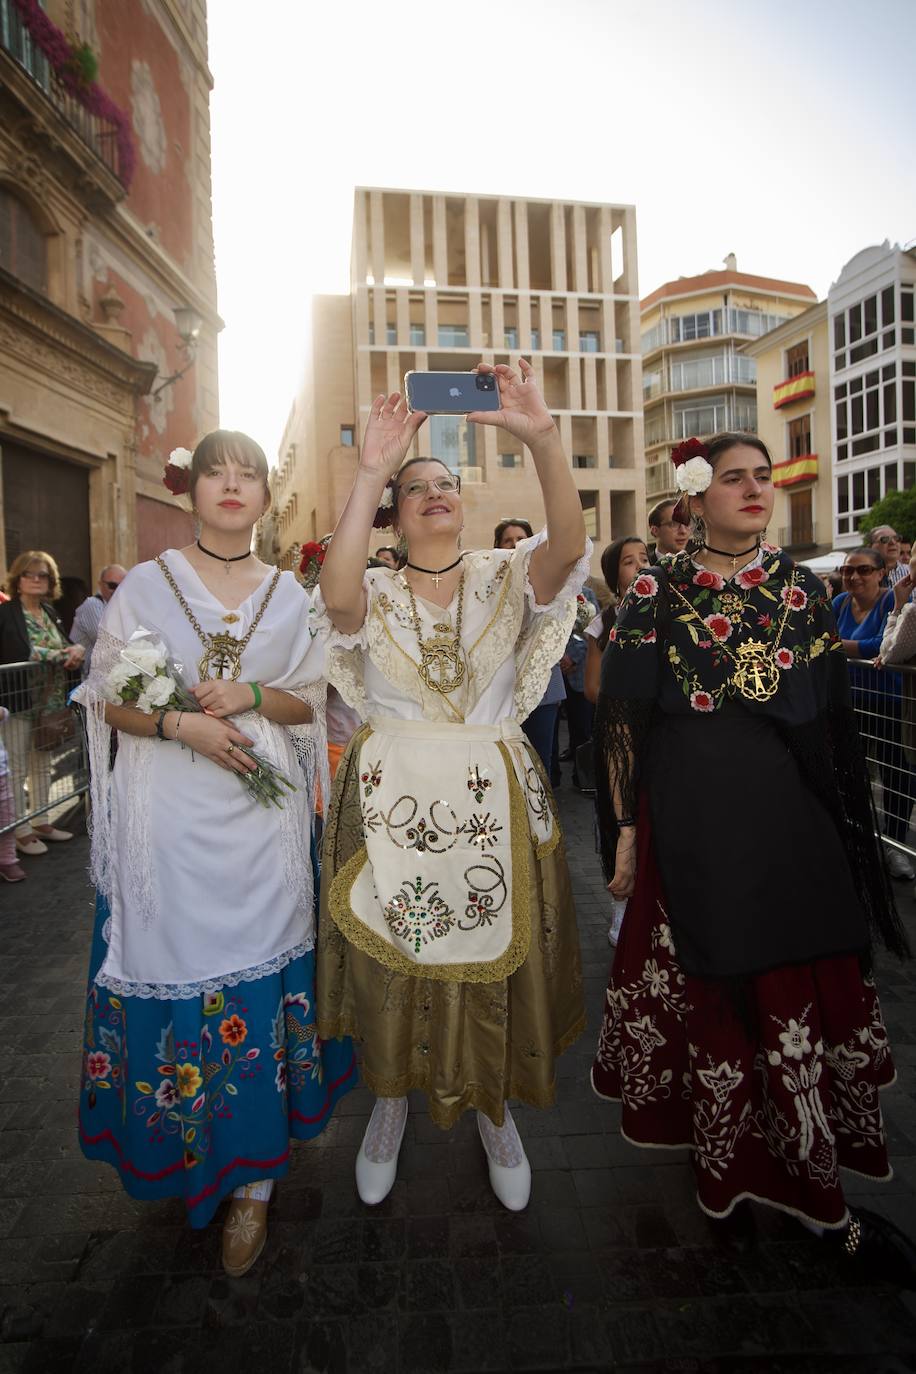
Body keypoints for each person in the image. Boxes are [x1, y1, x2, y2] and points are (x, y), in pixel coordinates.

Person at [591, 431, 916, 1284]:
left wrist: (843, 825)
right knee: (712, 984)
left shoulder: (801, 592)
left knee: (796, 981)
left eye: (763, 478)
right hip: (691, 814)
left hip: (784, 815)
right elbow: (623, 716)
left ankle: (812, 1181)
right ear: (698, 496)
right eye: (734, 478)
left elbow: (824, 724)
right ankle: (726, 1169)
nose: (754, 490)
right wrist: (625, 828)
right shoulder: (657, 588)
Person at [73, 430, 355, 1276]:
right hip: (166, 823)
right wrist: (179, 721)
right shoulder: (147, 587)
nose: (232, 486)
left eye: (249, 474)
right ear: (190, 490)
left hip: (260, 835)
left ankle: (256, 1184)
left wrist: (257, 695)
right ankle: (190, 1154)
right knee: (172, 958)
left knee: (262, 970)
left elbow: (318, 704)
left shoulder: (293, 594)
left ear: (267, 496)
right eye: (215, 473)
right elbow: (106, 697)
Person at [316, 360, 588, 1213]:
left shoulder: (508, 578)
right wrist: (370, 471)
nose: (436, 492)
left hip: (492, 807)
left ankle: (493, 1108)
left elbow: (573, 547)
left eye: (447, 482)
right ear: (395, 516)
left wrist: (541, 436)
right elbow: (334, 594)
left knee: (488, 963)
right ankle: (390, 1103)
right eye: (416, 486)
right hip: (394, 808)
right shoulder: (377, 590)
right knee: (396, 959)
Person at [833, 548, 915, 880]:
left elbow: (882, 645)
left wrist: (835, 644)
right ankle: (859, 837)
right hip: (848, 700)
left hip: (890, 702)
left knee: (896, 775)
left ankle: (895, 844)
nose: (853, 577)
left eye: (864, 570)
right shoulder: (838, 603)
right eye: (848, 570)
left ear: (881, 573)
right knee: (849, 770)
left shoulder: (891, 603)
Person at [0, 551, 84, 857]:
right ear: (17, 579)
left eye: (43, 575)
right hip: (18, 699)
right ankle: (19, 830)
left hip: (49, 702)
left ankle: (41, 820)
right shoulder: (6, 613)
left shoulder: (49, 611)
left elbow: (60, 644)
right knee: (18, 765)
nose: (36, 580)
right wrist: (67, 654)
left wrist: (74, 649)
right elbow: (29, 652)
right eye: (30, 574)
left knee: (42, 762)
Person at [494, 519, 566, 776]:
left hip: (543, 689)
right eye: (508, 540)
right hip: (501, 690)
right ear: (497, 546)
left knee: (538, 764)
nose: (515, 545)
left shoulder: (546, 580)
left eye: (521, 540)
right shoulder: (490, 585)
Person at [584, 538, 650, 705]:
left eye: (644, 559)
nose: (640, 566)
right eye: (629, 562)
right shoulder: (603, 623)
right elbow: (592, 688)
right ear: (614, 574)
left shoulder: (668, 612)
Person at [70, 565, 128, 675]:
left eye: (123, 586)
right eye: (112, 585)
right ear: (100, 584)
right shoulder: (92, 604)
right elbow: (107, 639)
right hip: (83, 679)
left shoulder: (117, 607)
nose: (117, 590)